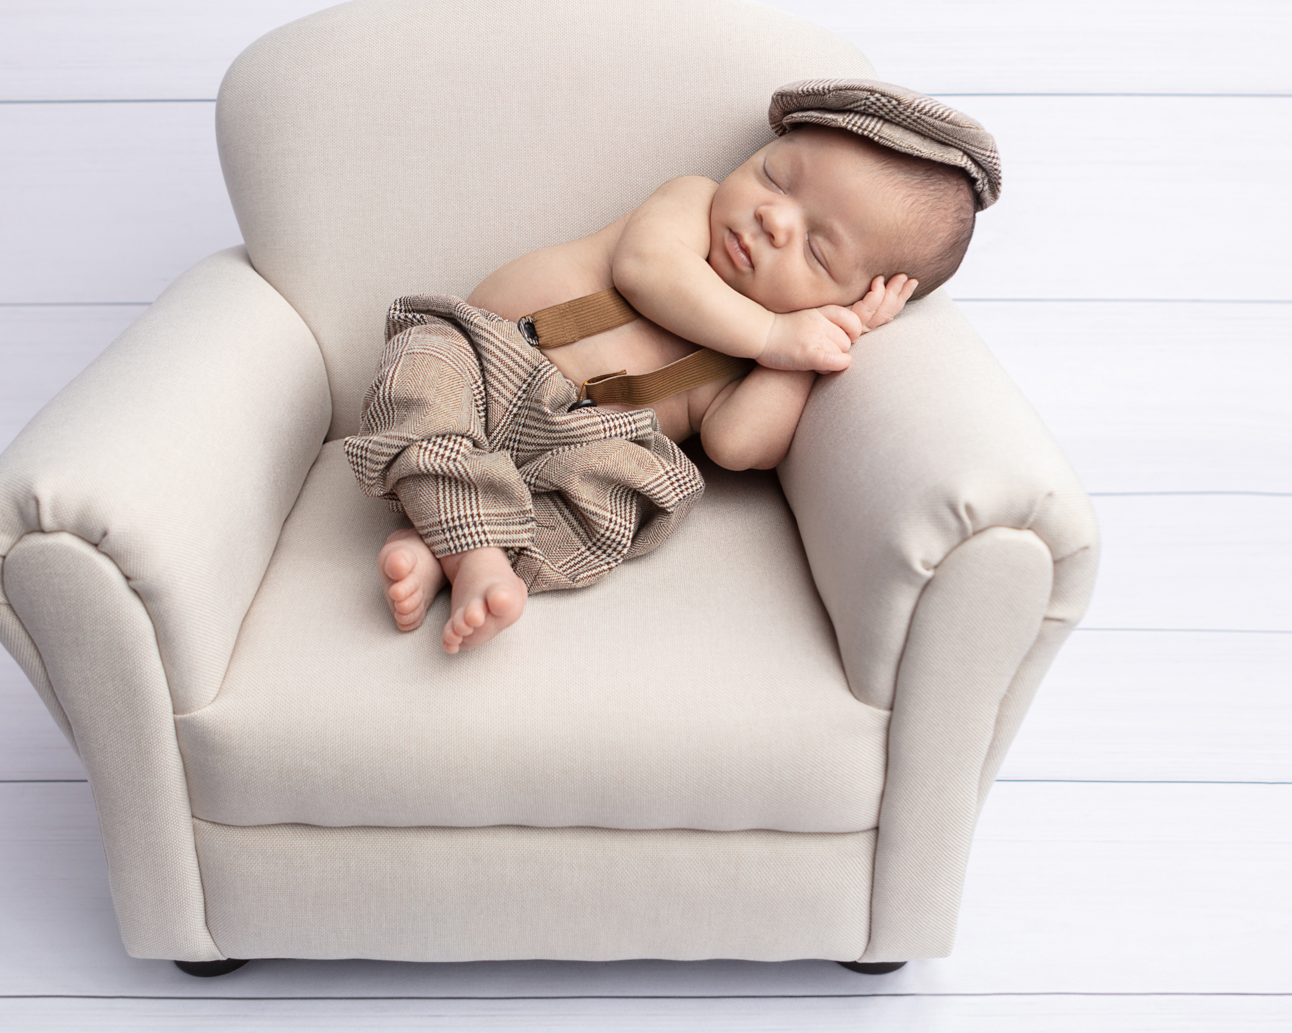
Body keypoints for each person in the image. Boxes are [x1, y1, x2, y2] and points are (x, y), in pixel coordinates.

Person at [344, 78, 1000, 654]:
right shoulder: (691, 207)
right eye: (775, 177)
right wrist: (774, 332)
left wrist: (823, 343)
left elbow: (737, 444)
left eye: (818, 250)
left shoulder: (758, 360)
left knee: (626, 497)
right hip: (486, 356)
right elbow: (647, 272)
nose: (773, 219)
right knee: (422, 369)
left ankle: (448, 548)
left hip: (577, 448)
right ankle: (471, 550)